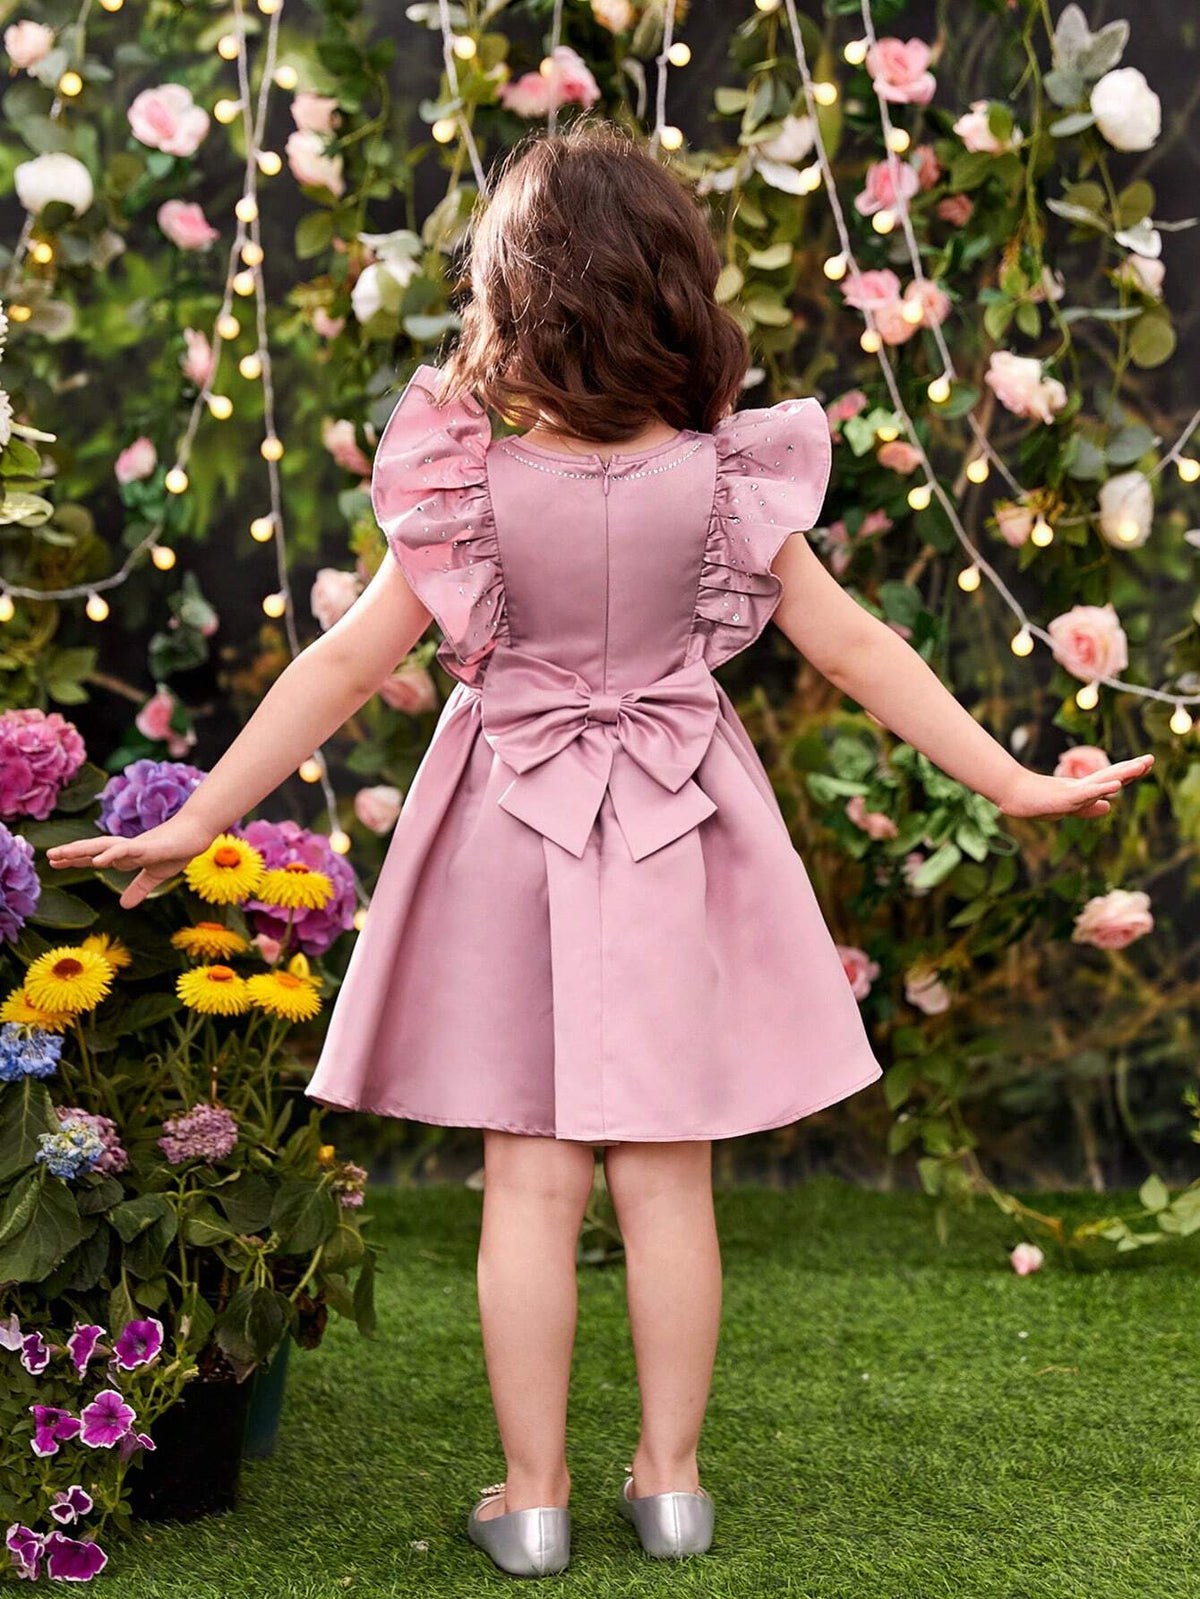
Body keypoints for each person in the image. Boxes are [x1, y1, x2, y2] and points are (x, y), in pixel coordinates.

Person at [47, 119, 1154, 1578]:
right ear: (677, 289)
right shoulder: (731, 478)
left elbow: (338, 667)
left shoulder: (466, 479)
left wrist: (201, 817)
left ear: (519, 297)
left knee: (532, 1177)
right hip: (683, 821)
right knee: (668, 1175)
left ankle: (536, 1497)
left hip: (510, 818)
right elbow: (860, 647)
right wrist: (1009, 777)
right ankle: (675, 1486)